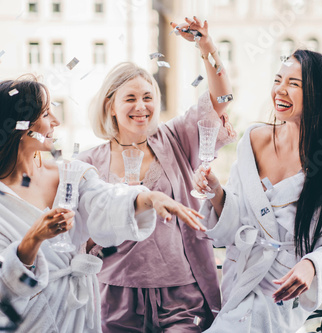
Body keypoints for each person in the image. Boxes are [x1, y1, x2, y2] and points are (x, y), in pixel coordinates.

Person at [0, 76, 205, 333]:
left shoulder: (71, 174)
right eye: (45, 113)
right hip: (30, 323)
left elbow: (106, 201)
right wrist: (34, 239)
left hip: (78, 317)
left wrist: (150, 198)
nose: (56, 121)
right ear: (18, 126)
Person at [78, 17, 236, 332]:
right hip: (114, 294)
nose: (141, 106)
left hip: (181, 293)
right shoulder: (88, 164)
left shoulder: (176, 138)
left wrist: (206, 46)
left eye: (148, 97)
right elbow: (78, 235)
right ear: (111, 105)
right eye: (131, 98)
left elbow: (222, 100)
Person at [192, 49, 322, 332]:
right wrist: (216, 192)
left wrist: (312, 265)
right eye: (278, 80)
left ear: (319, 93)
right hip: (239, 278)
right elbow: (240, 218)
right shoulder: (254, 140)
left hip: (281, 290)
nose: (280, 91)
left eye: (294, 84)